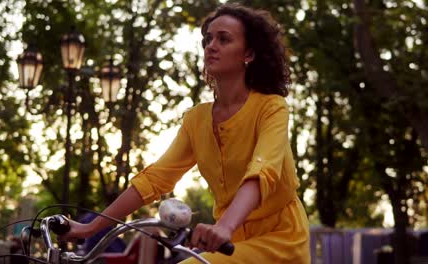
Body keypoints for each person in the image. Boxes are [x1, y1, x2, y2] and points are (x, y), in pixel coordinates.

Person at [64, 3, 310, 263]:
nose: (211, 46)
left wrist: (224, 226)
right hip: (231, 243)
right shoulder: (196, 120)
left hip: (280, 241)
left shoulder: (271, 107)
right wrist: (90, 227)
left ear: (248, 53)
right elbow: (155, 178)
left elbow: (263, 171)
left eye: (223, 39)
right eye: (208, 39)